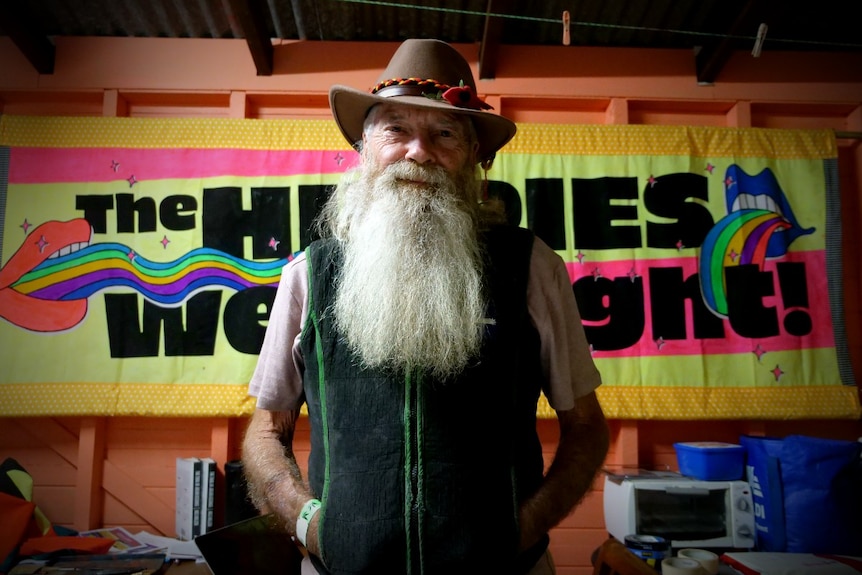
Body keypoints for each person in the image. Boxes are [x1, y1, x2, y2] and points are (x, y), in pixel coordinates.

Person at [242, 38, 609, 575]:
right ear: (365, 147)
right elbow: (265, 431)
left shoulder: (531, 268)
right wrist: (307, 524)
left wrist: (523, 527)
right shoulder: (308, 275)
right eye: (396, 129)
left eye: (444, 134)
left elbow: (587, 428)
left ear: (473, 160)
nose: (418, 151)